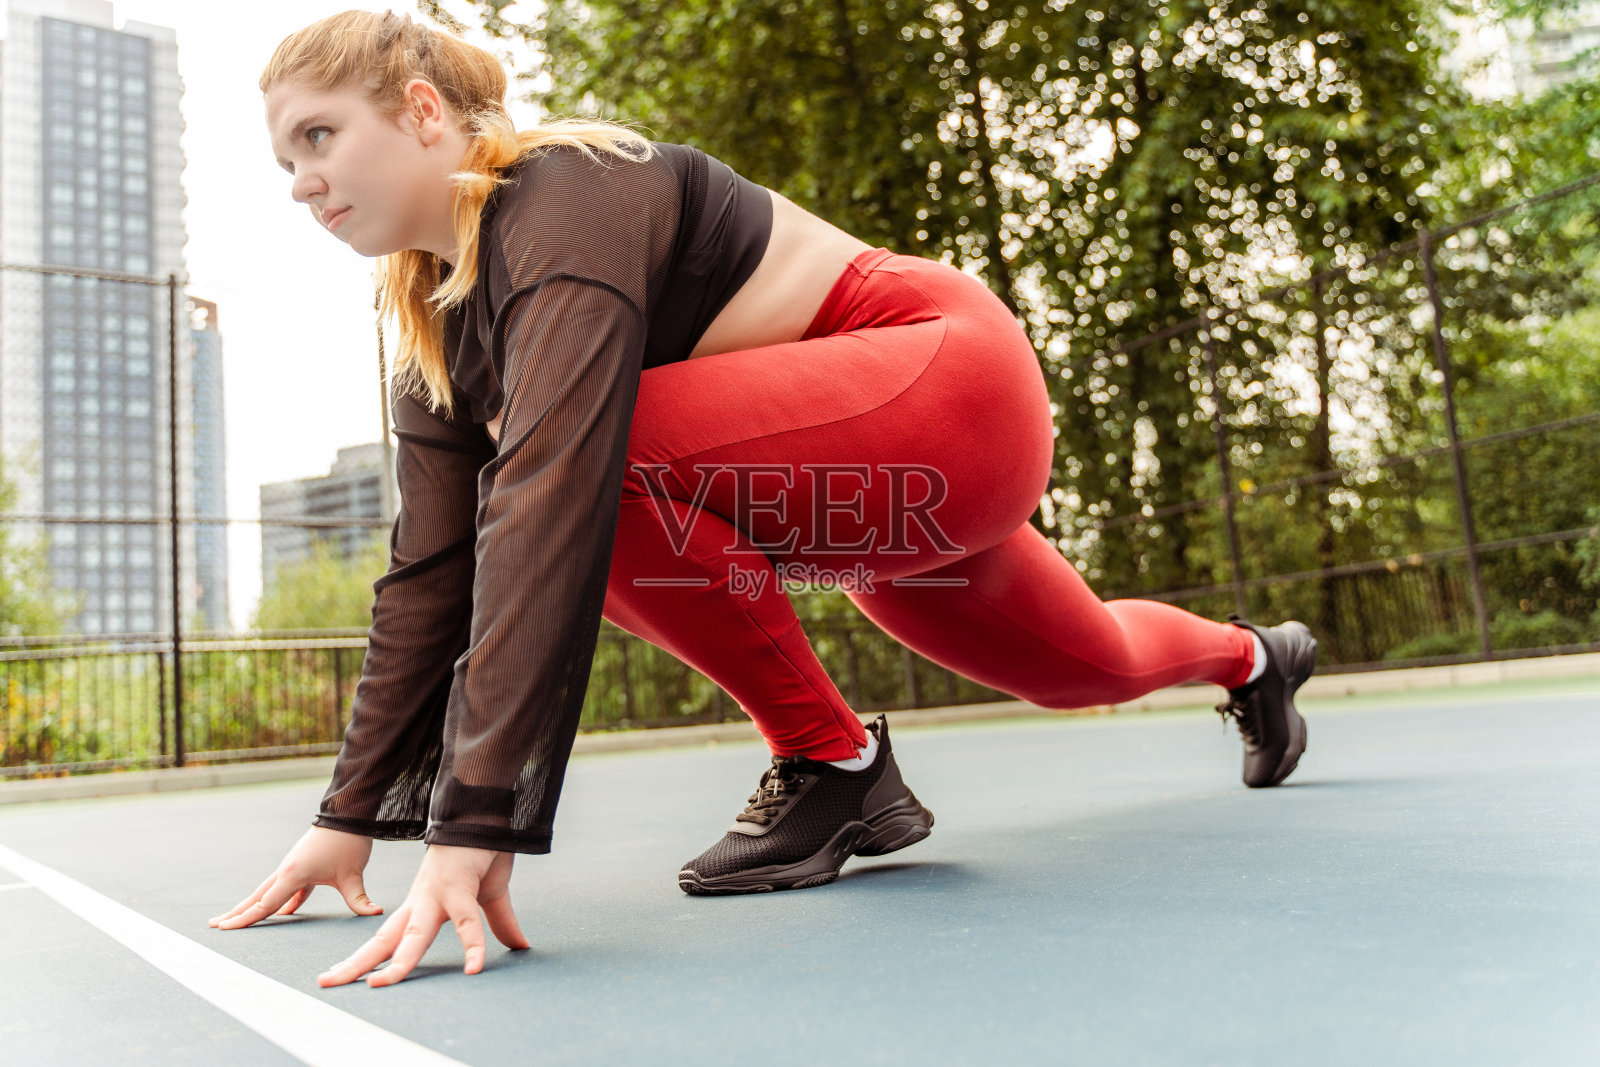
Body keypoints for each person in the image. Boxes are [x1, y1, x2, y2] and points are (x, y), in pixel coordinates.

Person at [211, 9, 1318, 987]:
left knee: (585, 461)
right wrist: (350, 813)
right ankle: (1256, 661)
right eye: (283, 160)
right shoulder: (429, 325)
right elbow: (432, 565)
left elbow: (552, 493)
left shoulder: (559, 194)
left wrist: (474, 820)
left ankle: (831, 760)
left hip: (941, 385)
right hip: (853, 483)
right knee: (1084, 666)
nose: (301, 179)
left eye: (319, 136)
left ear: (420, 111)